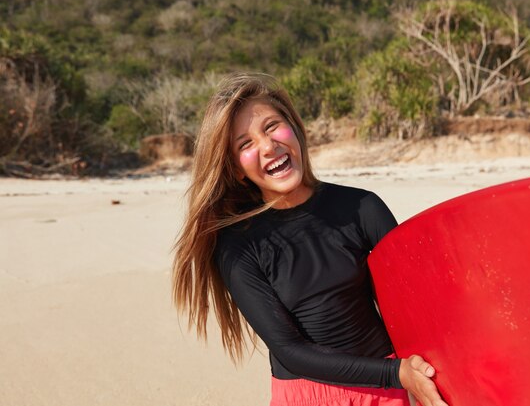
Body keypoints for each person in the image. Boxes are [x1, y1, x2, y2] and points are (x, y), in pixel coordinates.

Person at [172, 73, 448, 406]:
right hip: (309, 393)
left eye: (272, 126)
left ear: (296, 128)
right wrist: (396, 374)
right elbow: (290, 351)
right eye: (245, 144)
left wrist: (415, 375)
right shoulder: (238, 246)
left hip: (388, 390)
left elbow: (416, 302)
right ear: (236, 170)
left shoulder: (361, 207)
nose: (268, 146)